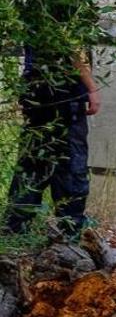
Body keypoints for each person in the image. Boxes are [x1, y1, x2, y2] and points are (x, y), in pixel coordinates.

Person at [4, 46, 101, 237]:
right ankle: (70, 235)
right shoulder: (65, 19)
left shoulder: (34, 17)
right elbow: (72, 48)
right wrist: (92, 88)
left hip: (36, 96)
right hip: (65, 98)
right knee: (71, 169)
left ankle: (14, 233)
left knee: (31, 169)